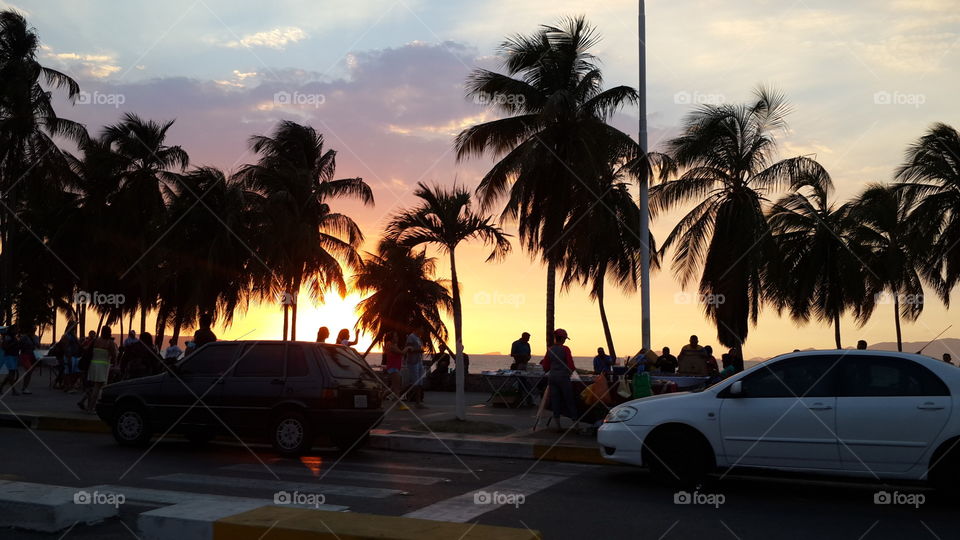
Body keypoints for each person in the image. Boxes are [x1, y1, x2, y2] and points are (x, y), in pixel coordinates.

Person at [541, 328, 577, 431]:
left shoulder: (550, 349)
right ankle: (575, 424)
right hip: (563, 377)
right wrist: (571, 371)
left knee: (555, 400)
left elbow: (545, 366)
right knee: (569, 399)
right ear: (562, 339)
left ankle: (558, 426)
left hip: (552, 377)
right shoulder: (565, 349)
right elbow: (571, 365)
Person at [83, 326, 118, 413]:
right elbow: (114, 355)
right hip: (103, 366)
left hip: (93, 364)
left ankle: (87, 405)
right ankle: (91, 408)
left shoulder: (95, 341)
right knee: (97, 388)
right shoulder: (110, 343)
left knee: (93, 386)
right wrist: (115, 364)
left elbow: (87, 350)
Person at [403, 327, 426, 408]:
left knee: (420, 382)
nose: (423, 331)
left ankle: (418, 402)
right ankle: (416, 401)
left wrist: (420, 350)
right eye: (422, 329)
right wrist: (418, 351)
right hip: (413, 362)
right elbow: (408, 349)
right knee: (415, 382)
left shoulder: (419, 339)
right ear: (418, 328)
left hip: (419, 361)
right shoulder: (411, 337)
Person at [381, 332, 405, 407]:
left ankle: (380, 398)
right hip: (393, 368)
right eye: (396, 336)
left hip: (394, 368)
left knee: (393, 387)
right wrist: (408, 348)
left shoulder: (391, 345)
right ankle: (399, 404)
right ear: (392, 338)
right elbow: (402, 352)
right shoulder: (391, 345)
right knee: (397, 387)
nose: (397, 338)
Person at [17, 325, 39, 394]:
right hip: (25, 355)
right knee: (29, 370)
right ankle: (24, 388)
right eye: (33, 328)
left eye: (35, 328)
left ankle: (25, 388)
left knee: (29, 372)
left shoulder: (36, 337)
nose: (34, 329)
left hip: (32, 356)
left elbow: (38, 346)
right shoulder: (24, 337)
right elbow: (19, 346)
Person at [1, 326, 21, 395]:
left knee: (11, 374)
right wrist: (13, 344)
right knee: (11, 374)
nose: (17, 331)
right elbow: (4, 347)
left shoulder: (14, 337)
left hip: (14, 356)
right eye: (15, 329)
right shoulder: (8, 337)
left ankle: (1, 387)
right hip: (9, 356)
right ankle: (13, 390)